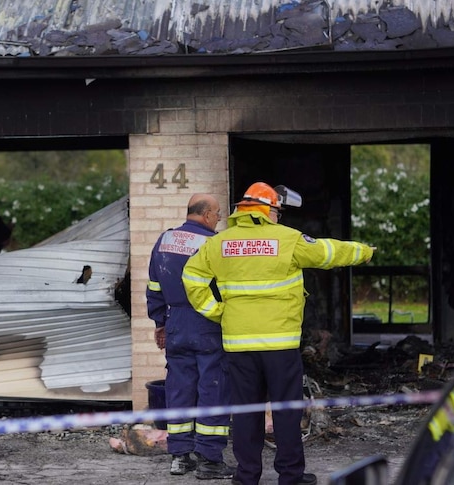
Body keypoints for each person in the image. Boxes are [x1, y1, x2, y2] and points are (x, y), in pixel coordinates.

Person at [182, 182, 375, 485]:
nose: (278, 217)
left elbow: (191, 277)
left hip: (239, 345)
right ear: (268, 210)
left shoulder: (220, 242)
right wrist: (363, 252)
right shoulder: (286, 239)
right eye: (277, 211)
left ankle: (246, 477)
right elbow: (327, 252)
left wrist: (217, 311)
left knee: (246, 413)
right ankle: (290, 476)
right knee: (286, 411)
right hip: (279, 345)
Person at [146, 193, 234, 480]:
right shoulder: (212, 244)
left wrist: (160, 323)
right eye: (218, 213)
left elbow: (154, 287)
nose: (219, 219)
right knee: (213, 389)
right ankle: (210, 460)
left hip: (174, 323)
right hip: (206, 323)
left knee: (179, 389)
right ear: (207, 214)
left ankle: (181, 458)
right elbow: (224, 288)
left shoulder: (165, 240)